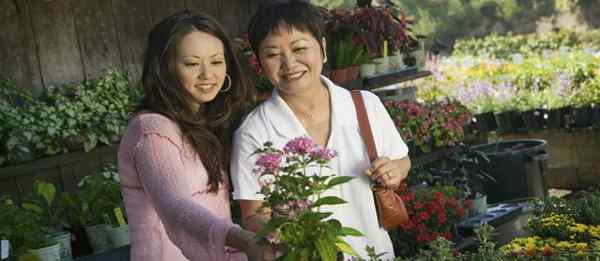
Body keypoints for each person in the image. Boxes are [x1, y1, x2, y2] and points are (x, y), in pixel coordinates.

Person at [230, 0, 411, 260]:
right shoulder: (254, 132)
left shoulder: (364, 105)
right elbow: (254, 214)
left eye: (299, 48)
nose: (289, 63)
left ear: (323, 49)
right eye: (272, 54)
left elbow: (402, 160)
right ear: (259, 62)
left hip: (376, 253)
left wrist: (394, 171)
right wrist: (295, 237)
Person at [118, 10, 264, 261]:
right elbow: (176, 207)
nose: (208, 75)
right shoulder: (152, 130)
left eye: (216, 61)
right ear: (165, 68)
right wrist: (242, 238)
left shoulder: (208, 122)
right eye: (192, 63)